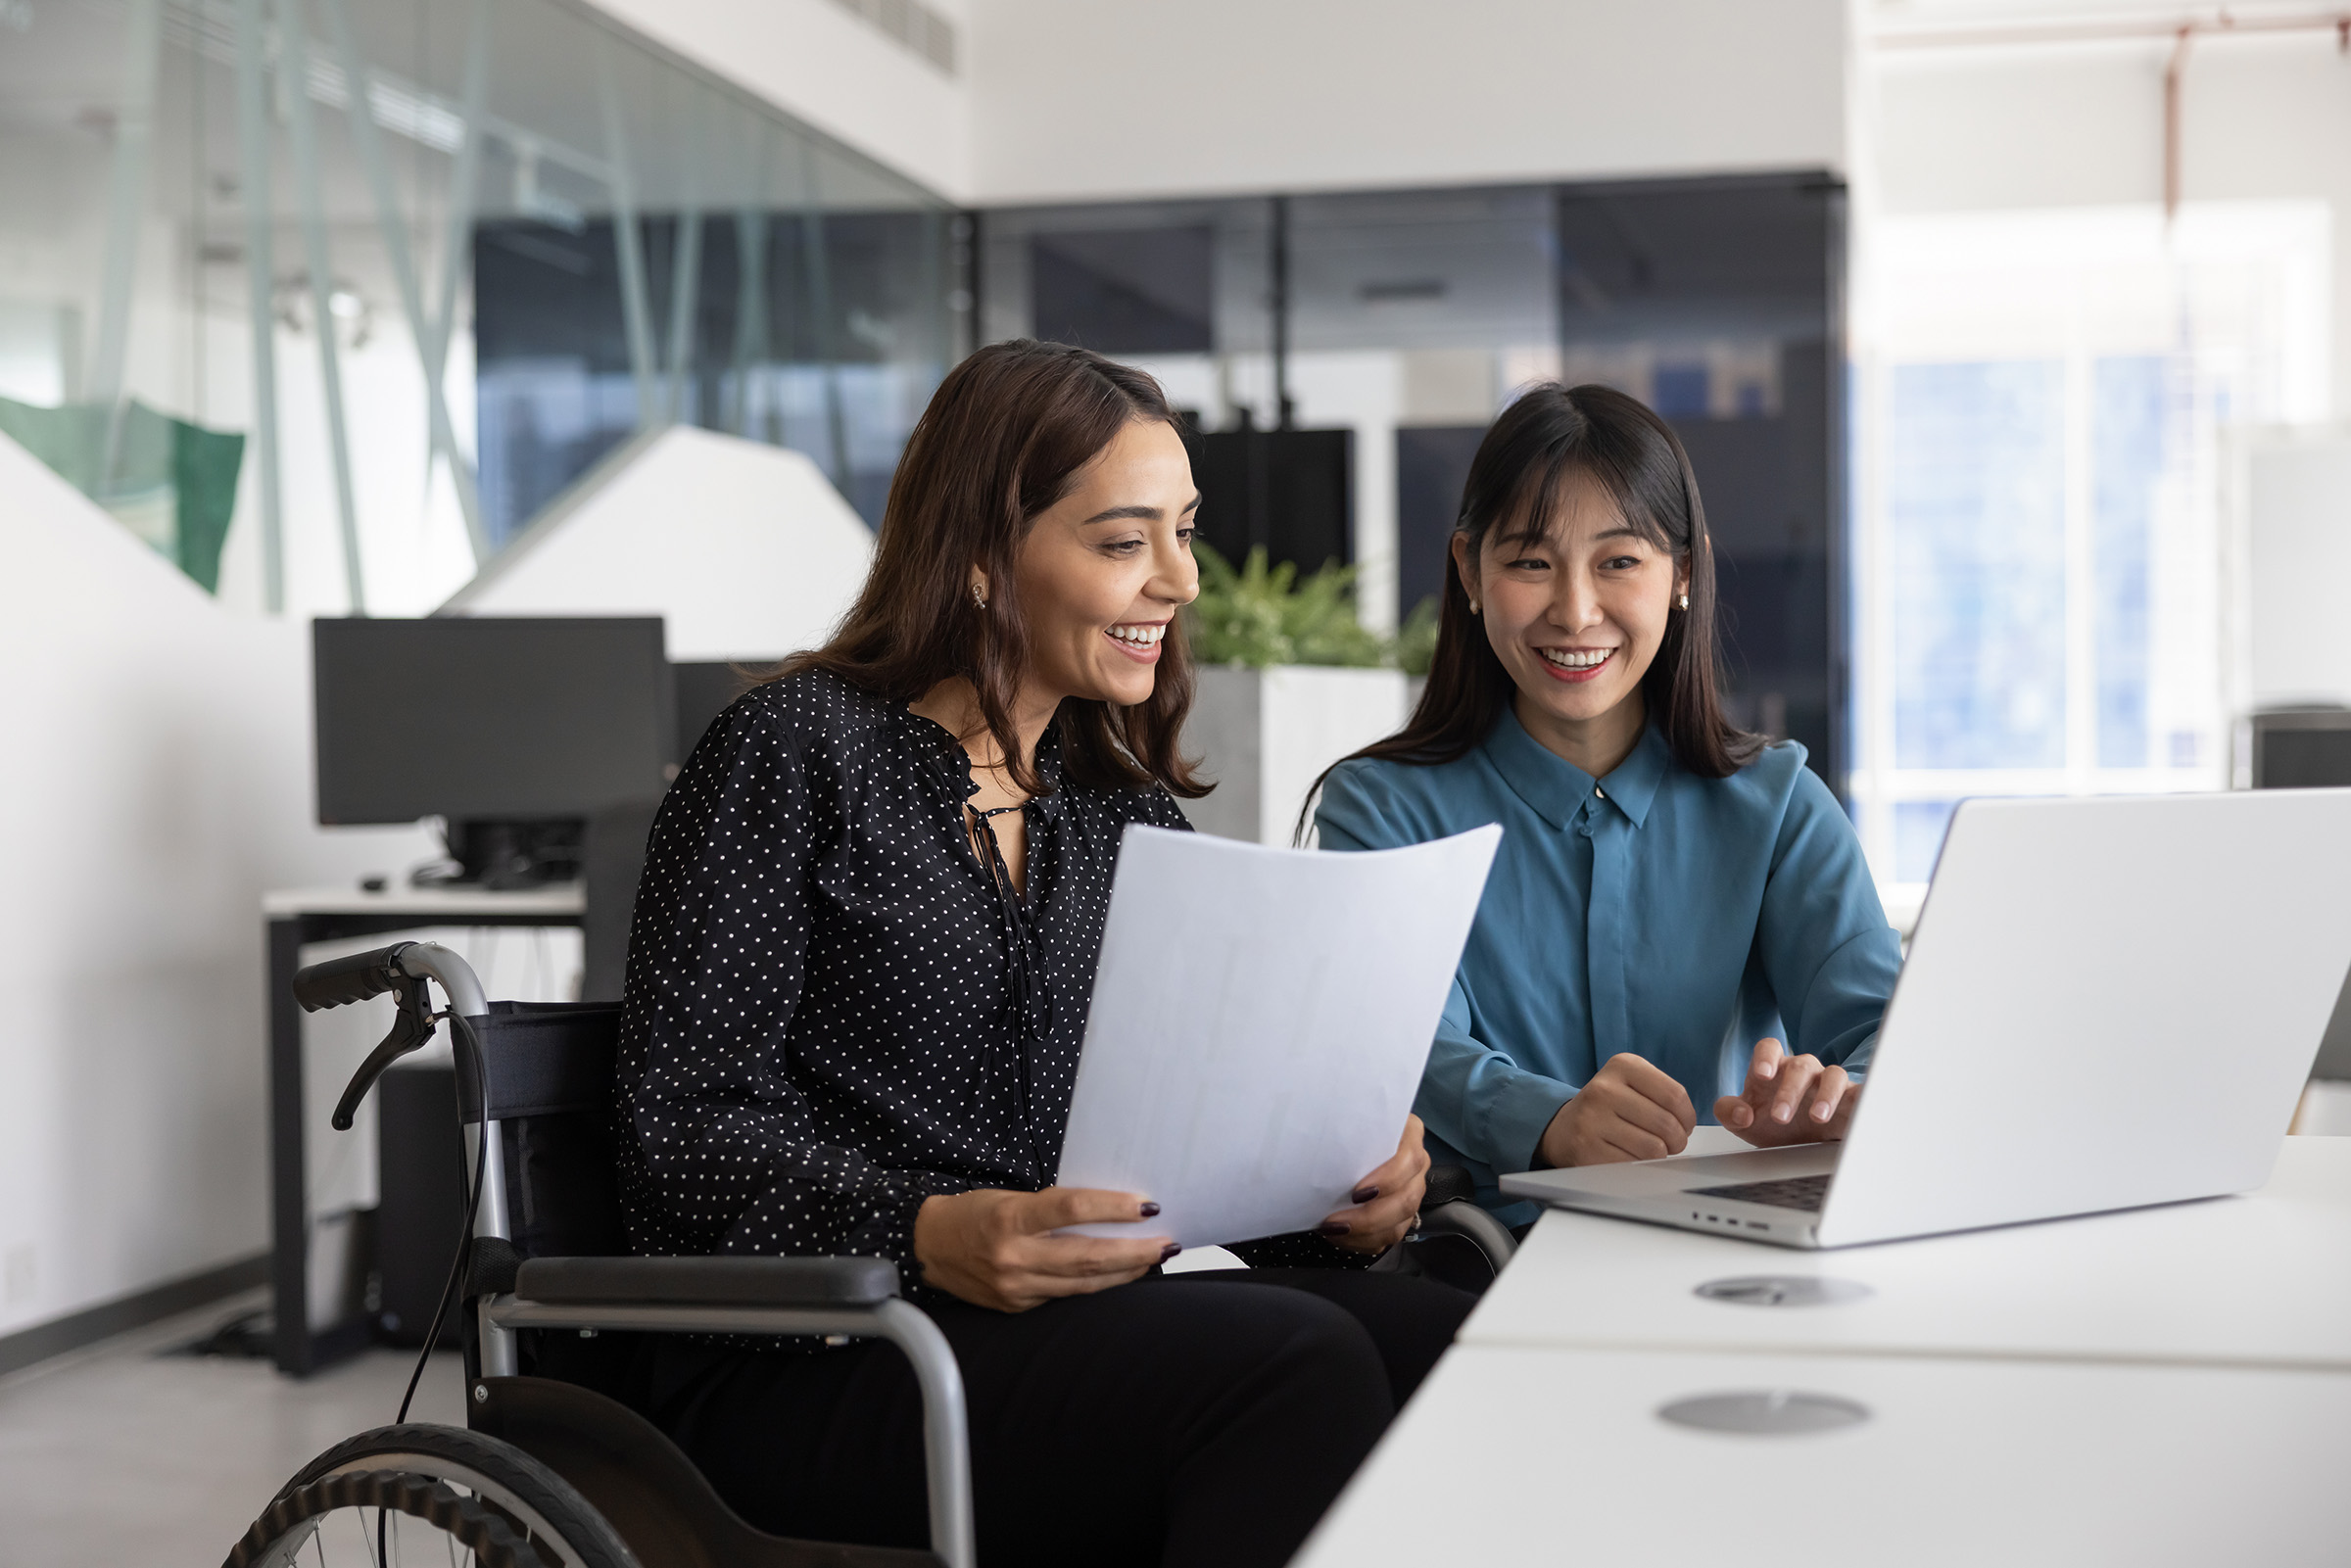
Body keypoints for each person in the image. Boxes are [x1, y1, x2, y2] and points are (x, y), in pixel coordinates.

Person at [612, 339, 1473, 1568]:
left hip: (1058, 1327)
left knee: (1442, 1338)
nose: (1178, 579)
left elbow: (1173, 1161)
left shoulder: (1117, 809)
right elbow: (680, 1137)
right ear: (975, 556)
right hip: (822, 1351)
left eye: (1184, 531)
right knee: (1298, 1366)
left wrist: (1339, 1197)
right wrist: (923, 1229)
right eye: (1125, 541)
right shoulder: (791, 754)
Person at [1310, 383, 1902, 1228]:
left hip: (1732, 1251)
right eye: (1530, 562)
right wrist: (1544, 1119)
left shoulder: (1777, 807)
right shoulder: (1380, 809)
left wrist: (1831, 1100)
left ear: (1682, 574)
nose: (1576, 611)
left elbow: (1887, 1035)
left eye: (1619, 561)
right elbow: (1400, 1046)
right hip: (1480, 1269)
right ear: (1470, 573)